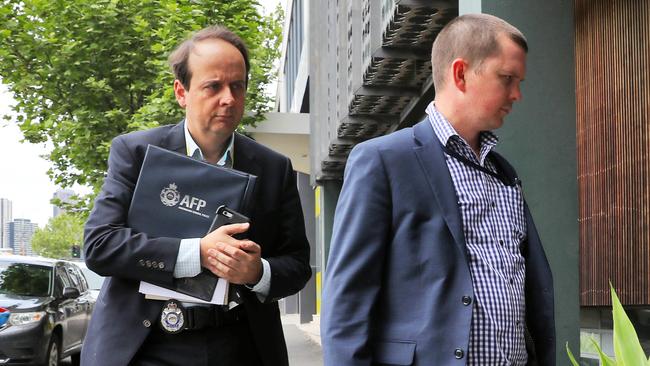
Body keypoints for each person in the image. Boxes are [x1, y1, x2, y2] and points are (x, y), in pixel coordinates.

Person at [321, 13, 555, 366]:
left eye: (518, 81)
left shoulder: (504, 173)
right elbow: (347, 303)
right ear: (460, 73)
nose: (517, 95)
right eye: (507, 78)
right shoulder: (382, 161)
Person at [82, 25, 311, 366]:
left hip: (239, 346)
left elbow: (296, 264)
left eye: (238, 86)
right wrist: (198, 253)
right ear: (181, 91)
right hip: (145, 347)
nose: (228, 99)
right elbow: (101, 245)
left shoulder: (273, 168)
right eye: (213, 86)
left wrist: (256, 272)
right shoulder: (136, 152)